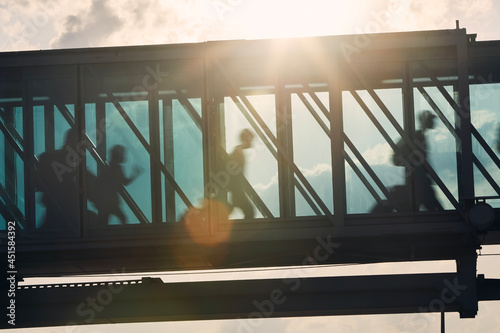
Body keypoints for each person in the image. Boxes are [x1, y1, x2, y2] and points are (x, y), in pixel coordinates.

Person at [95, 145, 143, 225]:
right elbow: (125, 182)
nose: (124, 156)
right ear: (118, 155)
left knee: (104, 222)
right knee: (122, 218)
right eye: (123, 154)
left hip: (104, 201)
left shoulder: (108, 167)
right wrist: (136, 173)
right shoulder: (117, 168)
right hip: (111, 201)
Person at [227, 129, 255, 219]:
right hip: (236, 188)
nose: (251, 142)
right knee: (249, 212)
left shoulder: (238, 151)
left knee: (231, 209)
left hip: (235, 188)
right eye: (250, 139)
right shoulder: (238, 151)